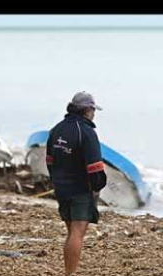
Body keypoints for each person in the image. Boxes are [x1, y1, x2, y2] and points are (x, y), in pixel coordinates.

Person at [46, 91, 107, 276]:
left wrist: (56, 181)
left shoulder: (56, 129)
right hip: (81, 189)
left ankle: (68, 271)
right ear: (87, 110)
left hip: (62, 188)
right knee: (77, 233)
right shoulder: (87, 132)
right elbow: (95, 167)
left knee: (71, 232)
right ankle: (70, 274)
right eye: (93, 110)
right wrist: (97, 187)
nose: (94, 113)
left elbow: (49, 160)